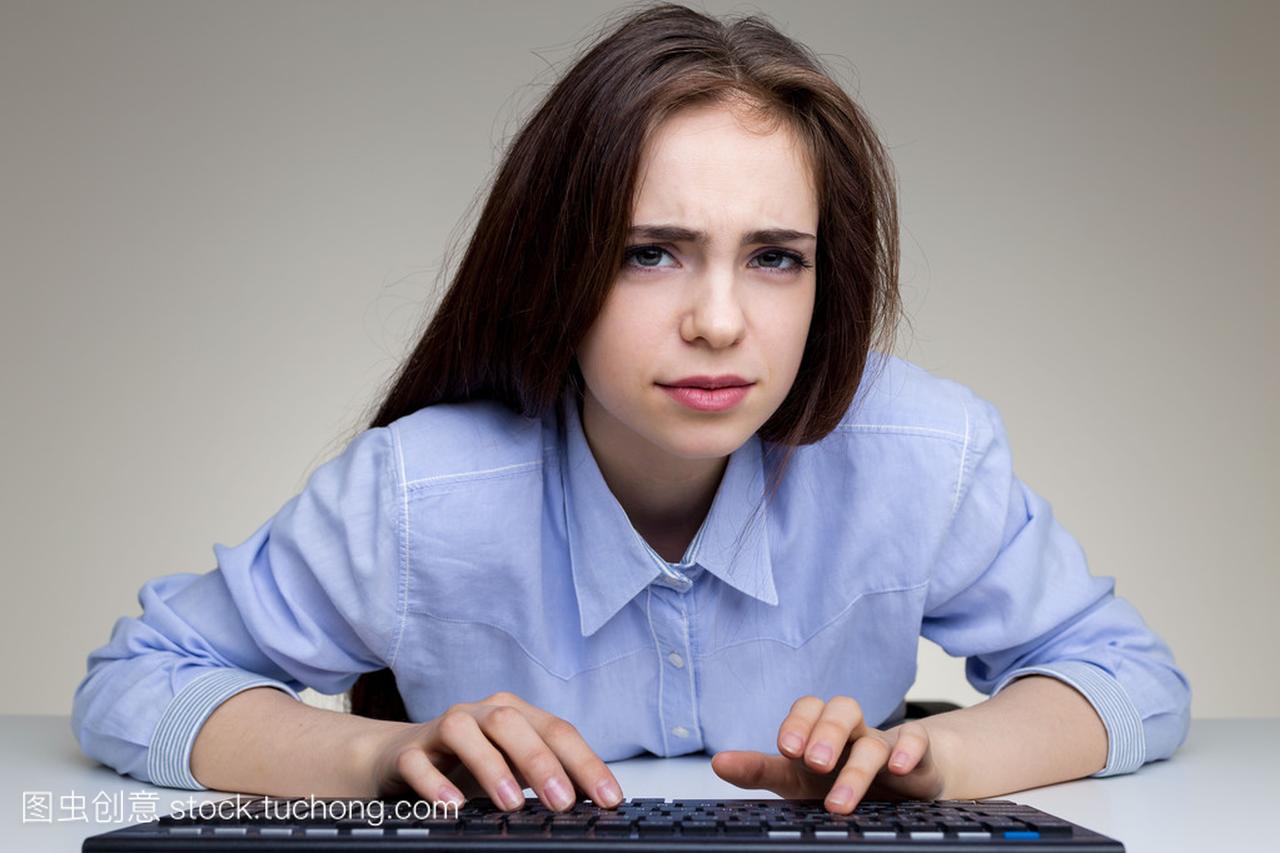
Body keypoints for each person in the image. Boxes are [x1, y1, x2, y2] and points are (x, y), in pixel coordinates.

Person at [71, 1, 1191, 817]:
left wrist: (931, 766)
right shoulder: (421, 494)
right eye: (649, 253)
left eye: (773, 258)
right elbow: (138, 682)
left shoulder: (920, 455)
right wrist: (381, 758)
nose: (717, 321)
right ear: (556, 263)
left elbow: (1128, 674)